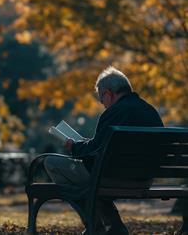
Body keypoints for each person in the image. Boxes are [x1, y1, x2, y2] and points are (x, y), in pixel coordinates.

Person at [43, 66, 164, 234]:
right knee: (88, 185)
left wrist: (75, 147)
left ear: (108, 93)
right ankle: (112, 225)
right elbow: (102, 146)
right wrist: (87, 144)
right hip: (145, 178)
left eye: (102, 100)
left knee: (52, 162)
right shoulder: (150, 111)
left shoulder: (114, 112)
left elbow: (94, 153)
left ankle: (96, 226)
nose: (103, 105)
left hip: (113, 177)